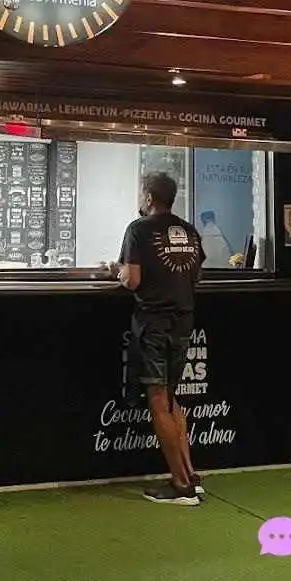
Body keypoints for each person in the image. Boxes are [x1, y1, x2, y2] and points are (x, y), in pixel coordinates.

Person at [106, 171, 205, 505]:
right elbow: (196, 274)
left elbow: (132, 280)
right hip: (183, 321)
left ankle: (181, 485)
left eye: (141, 193)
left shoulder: (138, 229)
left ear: (148, 197)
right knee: (172, 397)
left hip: (154, 323)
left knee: (159, 399)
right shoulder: (189, 231)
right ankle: (190, 475)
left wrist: (116, 270)